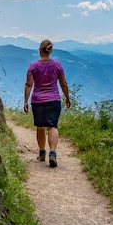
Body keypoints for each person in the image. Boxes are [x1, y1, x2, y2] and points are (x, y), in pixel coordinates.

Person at [24, 39, 71, 167]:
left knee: (40, 128)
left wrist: (25, 101)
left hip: (38, 100)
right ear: (50, 51)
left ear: (40, 50)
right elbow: (63, 83)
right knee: (52, 126)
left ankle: (42, 153)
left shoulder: (33, 66)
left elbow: (29, 84)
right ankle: (53, 153)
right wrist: (67, 97)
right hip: (54, 100)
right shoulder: (57, 65)